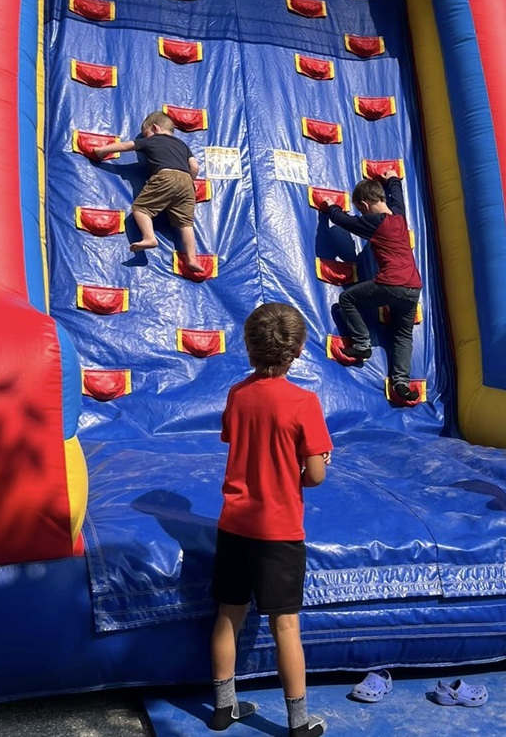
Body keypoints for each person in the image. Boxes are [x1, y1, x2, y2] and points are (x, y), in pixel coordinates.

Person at [209, 303, 332, 737]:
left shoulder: (238, 395)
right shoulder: (304, 402)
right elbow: (314, 475)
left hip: (235, 524)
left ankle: (223, 707)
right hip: (279, 530)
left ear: (248, 346)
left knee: (228, 616)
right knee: (286, 627)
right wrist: (307, 467)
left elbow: (237, 439)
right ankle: (298, 722)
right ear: (298, 350)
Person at [317, 167, 422, 402]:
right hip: (413, 286)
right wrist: (392, 178)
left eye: (360, 209)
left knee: (347, 299)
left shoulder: (373, 222)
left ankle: (362, 343)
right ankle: (401, 383)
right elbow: (398, 195)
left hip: (390, 283)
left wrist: (329, 206)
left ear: (364, 206)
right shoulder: (399, 215)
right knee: (403, 334)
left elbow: (341, 219)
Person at [90, 111, 203, 272]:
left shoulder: (153, 140)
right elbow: (195, 167)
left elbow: (124, 146)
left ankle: (149, 237)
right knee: (186, 224)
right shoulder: (182, 145)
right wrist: (188, 180)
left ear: (155, 128)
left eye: (146, 133)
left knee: (140, 209)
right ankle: (192, 258)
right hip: (187, 182)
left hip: (165, 176)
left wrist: (101, 151)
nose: (145, 137)